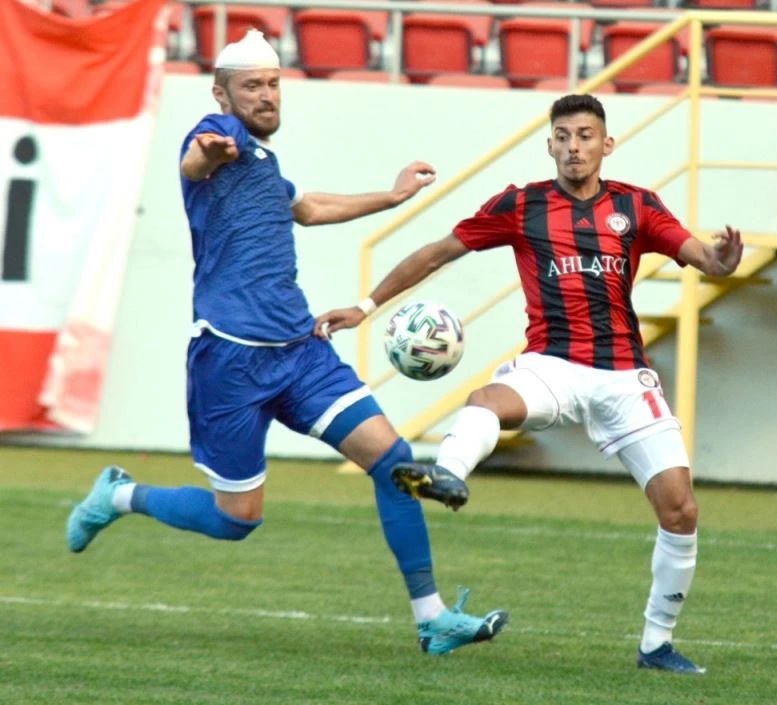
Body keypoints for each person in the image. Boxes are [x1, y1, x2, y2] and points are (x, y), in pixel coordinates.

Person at [65, 29, 508, 656]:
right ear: (222, 94)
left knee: (395, 462)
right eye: (252, 86)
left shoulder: (265, 166)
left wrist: (392, 196)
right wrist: (209, 149)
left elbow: (311, 207)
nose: (266, 96)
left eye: (273, 84)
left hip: (300, 353)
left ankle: (431, 618)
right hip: (230, 361)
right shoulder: (219, 136)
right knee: (236, 520)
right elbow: (195, 159)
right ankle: (119, 495)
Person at [314, 94, 744, 674]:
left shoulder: (637, 205)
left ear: (606, 144)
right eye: (563, 136)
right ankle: (446, 474)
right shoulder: (521, 205)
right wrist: (365, 307)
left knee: (681, 511)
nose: (574, 147)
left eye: (585, 136)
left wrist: (721, 259)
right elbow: (438, 252)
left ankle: (656, 646)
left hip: (624, 375)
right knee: (487, 401)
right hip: (552, 365)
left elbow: (704, 258)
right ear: (549, 145)